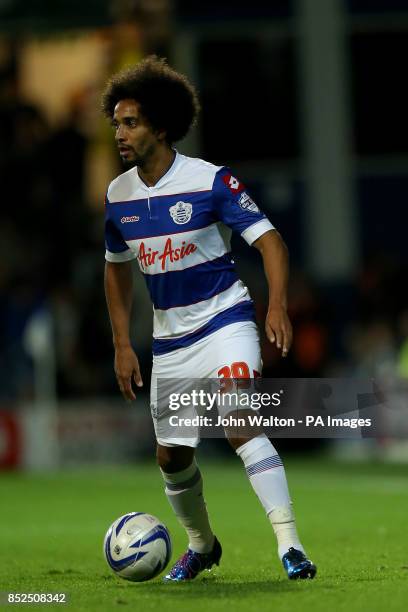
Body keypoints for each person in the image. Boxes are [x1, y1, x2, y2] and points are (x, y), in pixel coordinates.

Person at [101, 56, 316, 582]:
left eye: (130, 123)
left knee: (240, 421)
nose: (120, 134)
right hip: (171, 341)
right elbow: (115, 270)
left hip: (226, 321)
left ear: (161, 126)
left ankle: (291, 545)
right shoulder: (118, 195)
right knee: (172, 458)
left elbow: (271, 243)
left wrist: (277, 305)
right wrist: (123, 343)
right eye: (116, 124)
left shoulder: (210, 181)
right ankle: (202, 545)